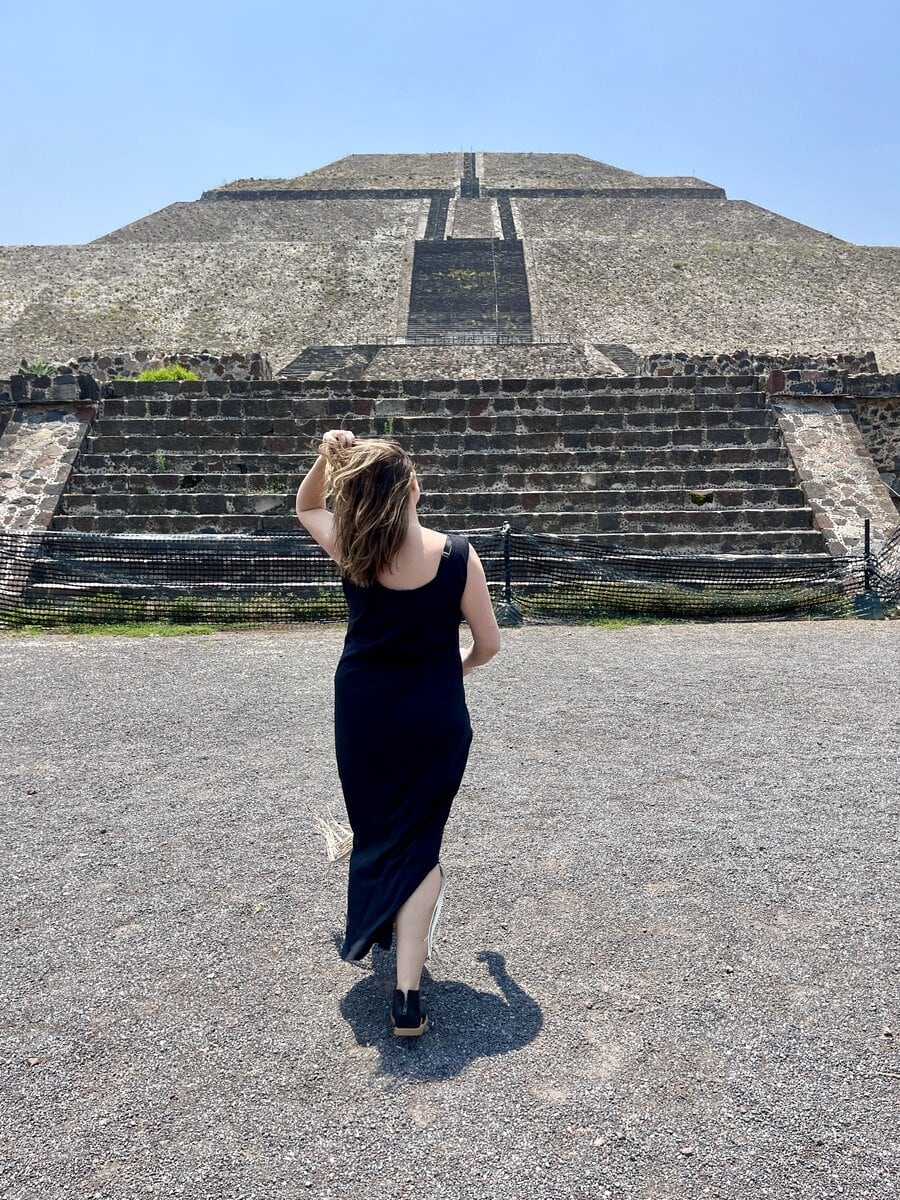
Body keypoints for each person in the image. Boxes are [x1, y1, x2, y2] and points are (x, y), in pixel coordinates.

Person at [295, 428, 501, 1036]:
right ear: (414, 489)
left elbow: (307, 505)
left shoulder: (352, 549)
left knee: (378, 825)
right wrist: (451, 672)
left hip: (364, 713)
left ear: (356, 496)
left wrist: (324, 459)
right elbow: (488, 645)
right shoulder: (457, 554)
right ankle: (406, 996)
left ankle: (382, 921)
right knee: (421, 841)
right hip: (435, 718)